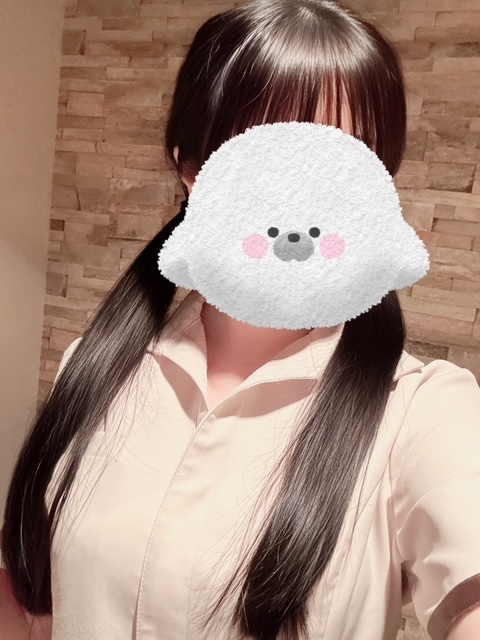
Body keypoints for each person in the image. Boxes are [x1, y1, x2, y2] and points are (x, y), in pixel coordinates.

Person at [2, 1, 480, 639]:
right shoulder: (90, 370)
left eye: (344, 165)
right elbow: (34, 607)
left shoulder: (424, 411)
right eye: (267, 157)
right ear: (191, 167)